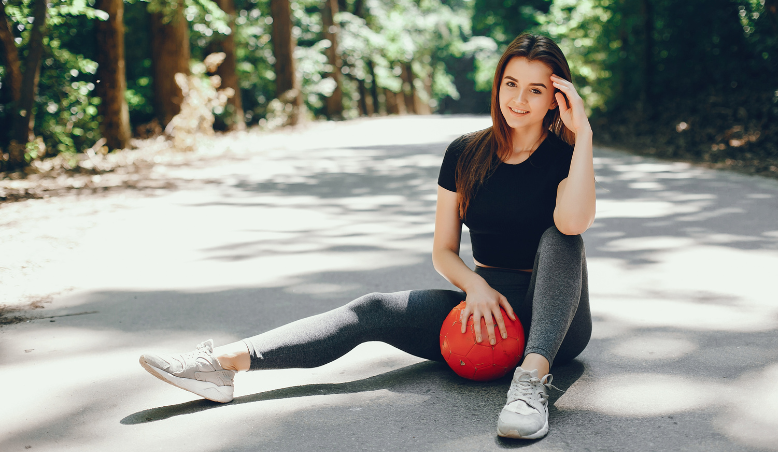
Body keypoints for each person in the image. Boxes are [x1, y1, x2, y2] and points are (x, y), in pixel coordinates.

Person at [139, 32, 595, 440]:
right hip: (482, 310)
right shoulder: (464, 153)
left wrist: (584, 136)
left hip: (556, 323)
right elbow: (443, 251)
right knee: (372, 308)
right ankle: (221, 366)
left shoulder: (564, 157)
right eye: (511, 83)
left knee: (561, 238)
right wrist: (474, 286)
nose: (519, 99)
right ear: (497, 85)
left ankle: (530, 385)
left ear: (556, 98)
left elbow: (574, 225)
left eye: (536, 90)